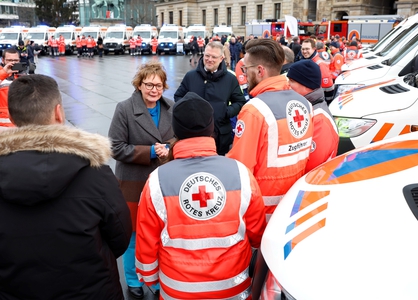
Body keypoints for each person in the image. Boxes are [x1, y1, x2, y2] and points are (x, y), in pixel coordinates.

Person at [0, 74, 132, 300]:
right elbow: (120, 235)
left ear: (11, 117)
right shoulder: (95, 172)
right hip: (92, 290)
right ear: (59, 112)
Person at [135, 92, 266, 299]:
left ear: (176, 130)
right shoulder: (240, 173)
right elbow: (257, 233)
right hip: (233, 288)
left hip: (177, 290)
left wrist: (149, 278)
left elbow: (146, 240)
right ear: (211, 128)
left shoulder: (157, 180)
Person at [227, 39, 314, 221]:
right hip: (293, 204)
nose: (243, 74)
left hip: (262, 211)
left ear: (259, 71)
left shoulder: (254, 110)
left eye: (245, 69)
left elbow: (241, 170)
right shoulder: (304, 104)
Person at [108, 61, 175, 299]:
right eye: (148, 85)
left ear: (164, 87)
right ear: (139, 85)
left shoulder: (171, 107)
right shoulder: (125, 108)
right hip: (133, 183)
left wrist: (169, 148)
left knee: (161, 234)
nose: (153, 90)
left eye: (158, 85)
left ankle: (157, 280)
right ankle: (133, 279)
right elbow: (115, 147)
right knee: (134, 235)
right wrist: (150, 152)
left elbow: (176, 139)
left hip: (162, 182)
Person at [174, 41, 246, 155]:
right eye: (207, 55)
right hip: (193, 135)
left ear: (221, 58)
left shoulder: (230, 79)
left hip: (220, 136)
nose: (209, 59)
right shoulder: (191, 76)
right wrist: (189, 112)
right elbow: (178, 96)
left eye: (214, 57)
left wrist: (226, 112)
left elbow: (240, 102)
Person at [287, 60, 339, 172]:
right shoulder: (308, 108)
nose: (287, 85)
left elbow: (312, 167)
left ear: (306, 85)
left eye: (291, 81)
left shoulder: (319, 120)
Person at [300, 38, 335, 103]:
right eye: (303, 49)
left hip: (317, 101)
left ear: (314, 49)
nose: (304, 51)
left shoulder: (320, 64)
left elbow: (328, 86)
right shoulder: (305, 60)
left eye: (307, 49)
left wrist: (326, 103)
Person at [0, 47, 21, 128]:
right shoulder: (1, 73)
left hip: (19, 126)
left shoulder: (22, 75)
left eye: (15, 61)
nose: (12, 63)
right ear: (3, 60)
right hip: (2, 126)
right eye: (9, 60)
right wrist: (4, 73)